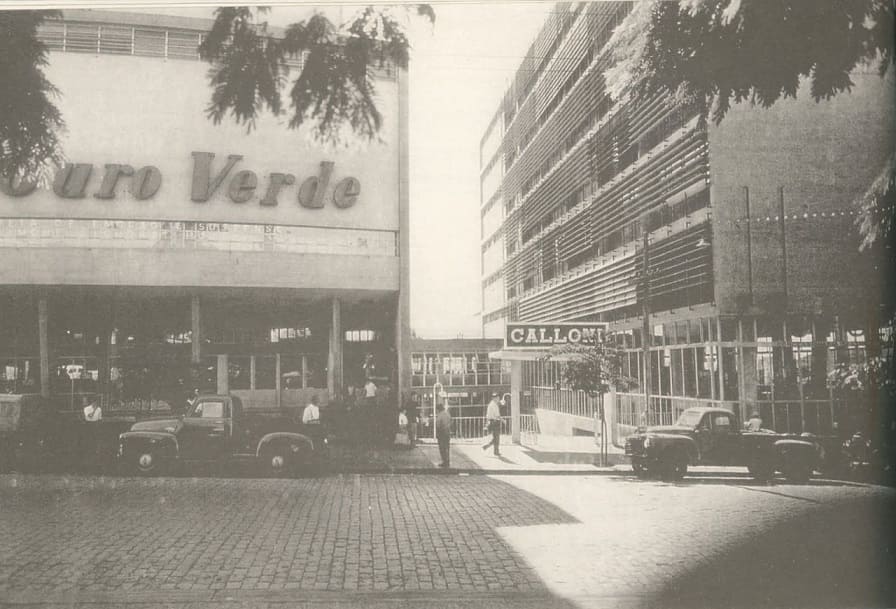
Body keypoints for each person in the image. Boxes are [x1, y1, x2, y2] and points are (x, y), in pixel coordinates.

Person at [435, 402, 452, 468]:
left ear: (438, 409)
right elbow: (451, 421)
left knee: (442, 448)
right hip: (447, 432)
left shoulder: (440, 415)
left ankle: (444, 461)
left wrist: (437, 433)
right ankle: (447, 461)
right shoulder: (447, 414)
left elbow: (438, 425)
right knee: (447, 447)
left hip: (441, 433)